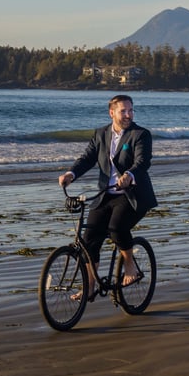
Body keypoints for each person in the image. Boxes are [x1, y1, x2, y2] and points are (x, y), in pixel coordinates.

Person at [58, 94, 157, 299]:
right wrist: (71, 174)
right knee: (89, 239)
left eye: (131, 110)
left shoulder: (140, 134)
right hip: (105, 195)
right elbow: (87, 158)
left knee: (116, 228)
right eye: (123, 111)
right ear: (112, 112)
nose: (128, 115)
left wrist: (129, 176)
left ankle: (130, 267)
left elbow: (142, 162)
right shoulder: (101, 133)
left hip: (132, 196)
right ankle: (90, 285)